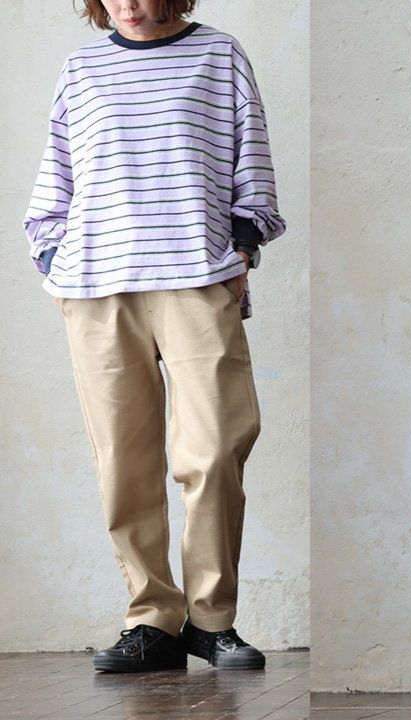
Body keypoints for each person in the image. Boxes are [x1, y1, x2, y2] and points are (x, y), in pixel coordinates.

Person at [22, 0, 286, 673]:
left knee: (217, 447)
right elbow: (56, 177)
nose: (128, 6)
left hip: (198, 277)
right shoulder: (81, 69)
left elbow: (251, 160)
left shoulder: (218, 55)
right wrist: (51, 255)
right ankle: (151, 620)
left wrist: (244, 246)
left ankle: (212, 622)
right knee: (123, 460)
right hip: (97, 288)